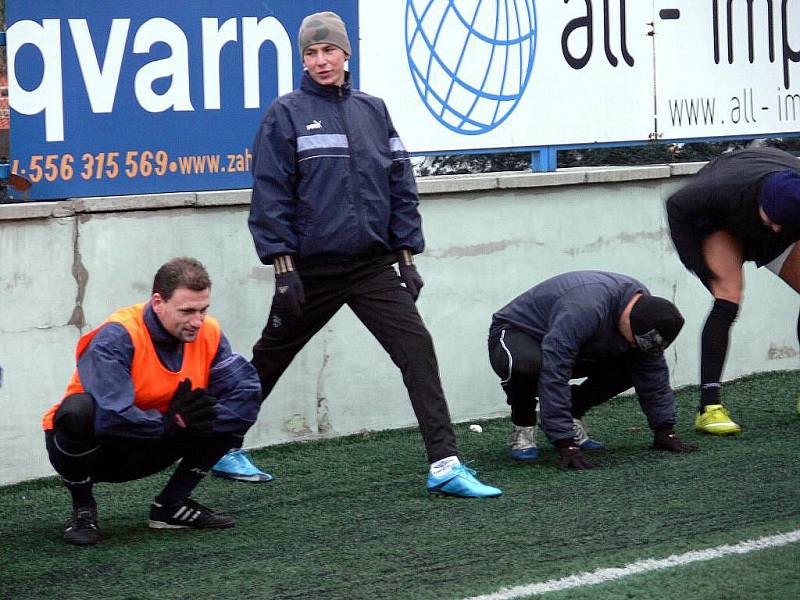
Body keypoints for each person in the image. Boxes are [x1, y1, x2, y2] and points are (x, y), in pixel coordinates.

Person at [248, 11, 500, 498]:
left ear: (346, 54)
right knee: (269, 358)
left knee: (417, 351)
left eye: (329, 51)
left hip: (371, 268)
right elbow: (271, 192)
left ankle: (445, 464)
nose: (321, 61)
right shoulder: (286, 112)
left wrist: (407, 254)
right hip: (310, 271)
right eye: (311, 53)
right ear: (304, 59)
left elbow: (400, 184)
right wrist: (282, 266)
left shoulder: (374, 110)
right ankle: (219, 445)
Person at [42, 257, 263, 545]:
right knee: (77, 411)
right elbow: (111, 416)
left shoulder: (209, 331)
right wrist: (168, 424)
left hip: (156, 442)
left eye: (203, 309)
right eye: (187, 311)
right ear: (158, 302)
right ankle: (83, 509)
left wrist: (188, 422)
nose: (197, 321)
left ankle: (171, 506)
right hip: (100, 450)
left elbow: (245, 394)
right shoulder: (118, 336)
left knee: (222, 410)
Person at [488, 271, 697, 469]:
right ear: (629, 320)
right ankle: (523, 425)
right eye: (635, 340)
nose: (634, 344)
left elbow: (652, 371)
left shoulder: (647, 310)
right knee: (527, 366)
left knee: (637, 361)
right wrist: (565, 443)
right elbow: (555, 371)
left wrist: (665, 430)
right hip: (518, 333)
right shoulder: (583, 309)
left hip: (580, 341)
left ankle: (572, 411)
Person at [666, 147, 800, 433]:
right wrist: (699, 267)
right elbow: (675, 205)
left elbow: (780, 225)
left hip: (778, 209)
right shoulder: (718, 189)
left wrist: (784, 224)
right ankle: (709, 408)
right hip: (723, 221)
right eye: (773, 220)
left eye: (783, 224)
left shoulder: (791, 202)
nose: (776, 229)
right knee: (728, 296)